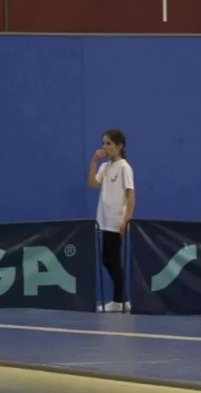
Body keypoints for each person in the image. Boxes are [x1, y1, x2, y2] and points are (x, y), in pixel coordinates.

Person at [88, 129, 136, 313]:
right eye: (103, 143)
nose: (104, 147)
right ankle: (121, 299)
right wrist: (94, 161)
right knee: (108, 260)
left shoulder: (124, 167)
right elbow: (92, 184)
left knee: (112, 260)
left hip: (116, 221)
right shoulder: (105, 167)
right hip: (104, 220)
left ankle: (120, 300)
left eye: (108, 143)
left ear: (119, 146)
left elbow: (131, 196)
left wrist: (126, 220)